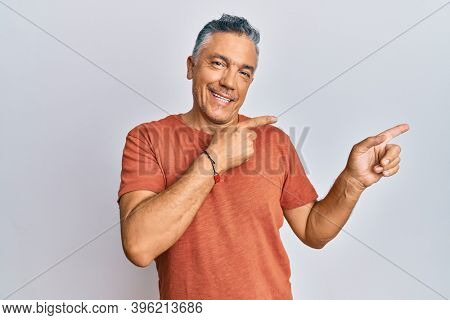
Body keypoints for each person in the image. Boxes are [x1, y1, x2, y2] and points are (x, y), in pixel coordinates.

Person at [117, 14, 409, 299]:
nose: (229, 82)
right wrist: (213, 160)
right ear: (191, 67)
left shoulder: (274, 141)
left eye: (244, 72)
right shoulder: (147, 139)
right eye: (218, 63)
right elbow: (139, 247)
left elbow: (312, 230)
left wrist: (353, 181)